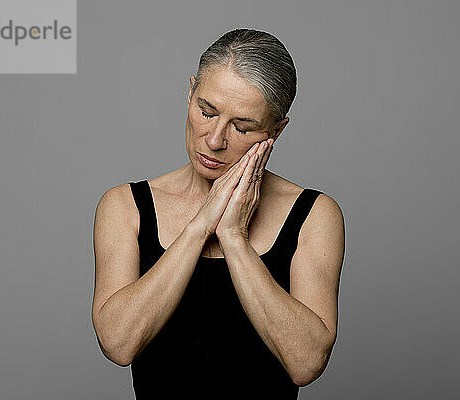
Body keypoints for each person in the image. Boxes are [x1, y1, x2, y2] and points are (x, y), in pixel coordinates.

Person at [91, 28, 345, 399]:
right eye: (206, 111)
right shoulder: (124, 206)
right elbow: (118, 343)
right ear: (190, 93)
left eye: (243, 127)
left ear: (277, 130)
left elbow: (306, 363)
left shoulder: (315, 215)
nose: (215, 140)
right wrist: (199, 227)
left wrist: (234, 238)